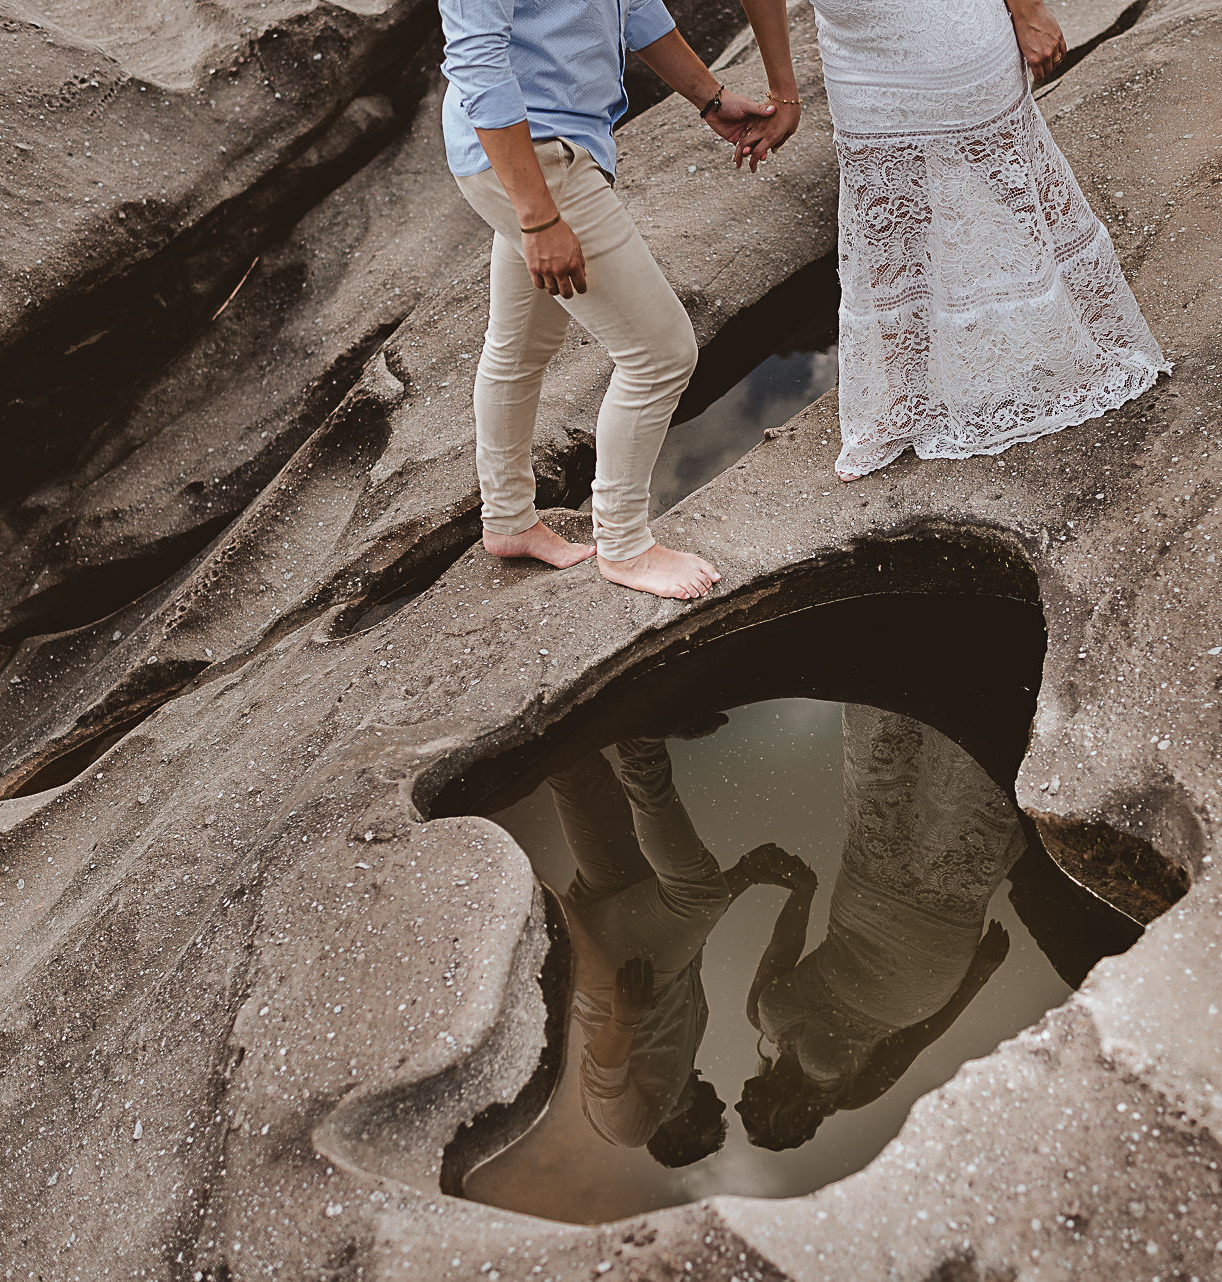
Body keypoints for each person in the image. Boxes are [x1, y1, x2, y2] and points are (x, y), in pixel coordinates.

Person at [438, 0, 800, 598]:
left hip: (550, 143)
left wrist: (710, 98)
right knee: (659, 354)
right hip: (534, 156)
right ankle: (626, 546)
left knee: (522, 344)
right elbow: (479, 64)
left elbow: (632, 6)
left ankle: (507, 519)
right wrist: (538, 219)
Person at [731, 0, 1169, 480]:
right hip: (855, 53)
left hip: (955, 35)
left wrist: (1028, 9)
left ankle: (1051, 346)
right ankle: (902, 397)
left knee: (1007, 192)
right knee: (883, 219)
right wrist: (784, 91)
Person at [737, 705, 1025, 1150]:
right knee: (958, 836)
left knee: (885, 810)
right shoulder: (848, 1094)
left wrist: (803, 891)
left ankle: (911, 704)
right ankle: (1001, 722)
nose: (738, 1107)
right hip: (920, 968)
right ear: (784, 1120)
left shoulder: (759, 1016)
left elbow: (784, 945)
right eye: (751, 1117)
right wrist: (979, 975)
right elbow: (918, 1039)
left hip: (855, 920)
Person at [544, 738, 804, 1166]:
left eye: (712, 1129)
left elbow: (601, 1079)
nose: (722, 1110)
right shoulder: (682, 1056)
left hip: (616, 974)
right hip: (632, 948)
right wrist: (744, 875)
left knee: (699, 895)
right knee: (578, 778)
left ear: (681, 1138)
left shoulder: (631, 1132)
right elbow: (686, 950)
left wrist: (624, 1018)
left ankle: (642, 747)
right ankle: (569, 724)